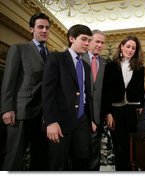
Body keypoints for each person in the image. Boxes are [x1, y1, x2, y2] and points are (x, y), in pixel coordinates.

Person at [0, 12, 50, 171]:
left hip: (43, 115)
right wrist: (7, 108)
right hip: (21, 112)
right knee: (14, 156)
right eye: (40, 27)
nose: (44, 30)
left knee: (40, 157)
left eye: (47, 28)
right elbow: (9, 81)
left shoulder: (52, 55)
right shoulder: (19, 48)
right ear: (31, 29)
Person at [42, 24, 93, 171]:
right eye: (84, 39)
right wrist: (51, 121)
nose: (87, 44)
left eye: (89, 40)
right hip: (60, 123)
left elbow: (86, 95)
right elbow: (48, 92)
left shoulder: (86, 65)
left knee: (82, 165)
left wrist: (91, 119)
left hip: (82, 123)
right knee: (59, 165)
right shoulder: (56, 58)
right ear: (71, 38)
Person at [102, 35, 145, 171]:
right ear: (121, 46)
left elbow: (141, 90)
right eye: (128, 46)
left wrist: (142, 108)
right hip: (116, 110)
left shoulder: (140, 68)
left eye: (133, 48)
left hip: (133, 110)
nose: (130, 50)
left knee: (132, 146)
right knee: (119, 146)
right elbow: (105, 91)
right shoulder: (110, 66)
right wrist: (108, 113)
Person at [83, 29, 107, 171]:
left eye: (102, 43)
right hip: (81, 114)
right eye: (97, 41)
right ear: (89, 41)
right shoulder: (80, 58)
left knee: (95, 153)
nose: (100, 45)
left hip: (98, 114)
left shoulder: (105, 63)